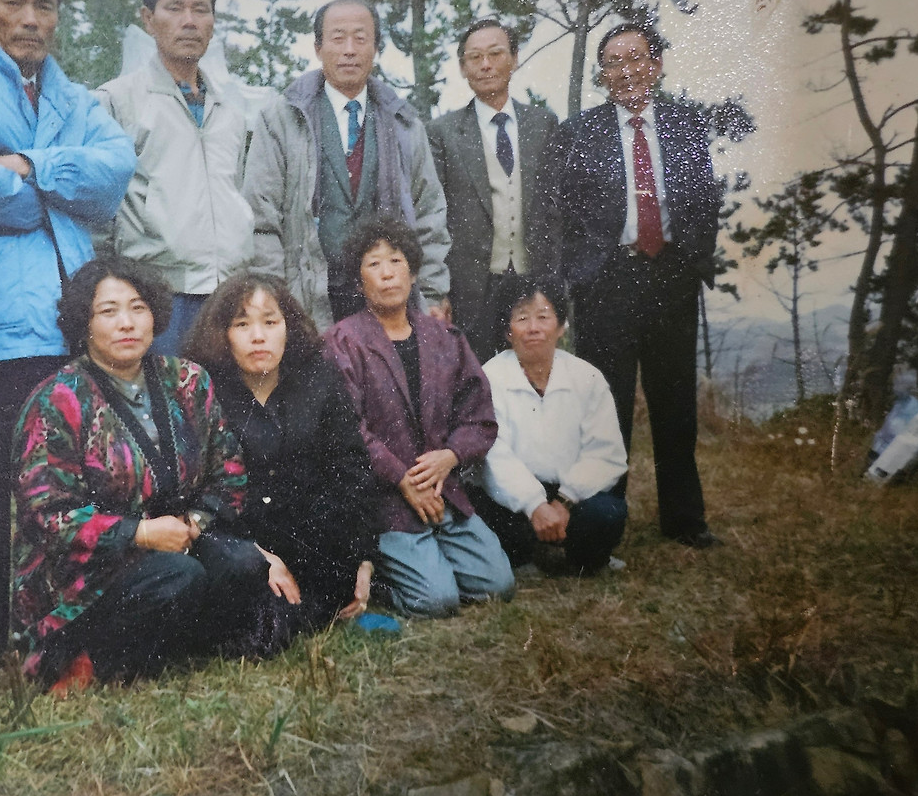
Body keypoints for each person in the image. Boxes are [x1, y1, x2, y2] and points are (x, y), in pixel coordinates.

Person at [0, 0, 136, 669]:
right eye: (14, 1)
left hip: (62, 327)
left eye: (45, 5)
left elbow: (113, 177)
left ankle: (54, 635)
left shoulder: (72, 95)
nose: (30, 19)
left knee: (62, 496)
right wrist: (60, 192)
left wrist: (29, 165)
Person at [12, 259, 274, 689]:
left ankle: (170, 647)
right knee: (178, 577)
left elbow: (229, 471)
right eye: (108, 311)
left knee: (243, 563)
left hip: (178, 543)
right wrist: (142, 534)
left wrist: (193, 524)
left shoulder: (187, 380)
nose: (126, 323)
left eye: (138, 308)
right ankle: (85, 660)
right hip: (86, 576)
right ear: (84, 323)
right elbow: (47, 515)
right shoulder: (57, 400)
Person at [549, 23, 723, 548]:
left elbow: (705, 198)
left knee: (676, 402)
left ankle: (685, 521)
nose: (626, 71)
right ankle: (606, 522)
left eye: (636, 58)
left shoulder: (685, 125)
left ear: (656, 64)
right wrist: (580, 274)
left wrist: (692, 260)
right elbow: (563, 213)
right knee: (608, 406)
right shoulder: (580, 132)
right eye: (613, 63)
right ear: (602, 75)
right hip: (608, 282)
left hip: (671, 277)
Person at [324, 217, 514, 619]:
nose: (387, 273)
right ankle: (383, 577)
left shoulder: (445, 337)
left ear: (412, 273)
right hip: (386, 500)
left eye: (396, 261)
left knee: (498, 586)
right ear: (359, 282)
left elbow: (479, 417)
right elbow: (348, 429)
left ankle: (431, 559)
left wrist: (451, 456)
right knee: (436, 601)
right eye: (374, 264)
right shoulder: (342, 342)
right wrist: (402, 479)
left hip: (443, 490)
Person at [185, 273, 379, 642]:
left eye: (270, 322)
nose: (258, 336)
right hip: (239, 541)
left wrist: (363, 559)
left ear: (288, 328)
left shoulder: (320, 379)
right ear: (222, 334)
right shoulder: (203, 390)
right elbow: (198, 495)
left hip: (309, 536)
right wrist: (257, 555)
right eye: (242, 324)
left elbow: (353, 472)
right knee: (262, 624)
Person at [242, 0, 450, 330]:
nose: (349, 50)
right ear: (318, 47)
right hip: (305, 300)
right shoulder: (281, 119)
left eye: (360, 38)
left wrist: (431, 294)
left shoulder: (404, 123)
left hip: (388, 303)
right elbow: (260, 216)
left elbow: (429, 215)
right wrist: (274, 299)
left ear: (376, 48)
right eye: (338, 38)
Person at [94, 0, 254, 355]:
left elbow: (238, 192)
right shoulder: (117, 101)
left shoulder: (230, 110)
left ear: (213, 22)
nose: (189, 21)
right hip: (156, 295)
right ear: (148, 19)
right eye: (175, 8)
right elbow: (97, 215)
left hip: (229, 294)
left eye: (200, 9)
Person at [468, 275, 628, 576]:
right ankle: (519, 558)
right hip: (513, 497)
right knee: (488, 512)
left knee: (607, 513)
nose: (533, 328)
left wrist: (564, 502)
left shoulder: (587, 377)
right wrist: (534, 504)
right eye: (522, 318)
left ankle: (586, 559)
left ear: (561, 326)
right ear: (507, 331)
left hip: (569, 493)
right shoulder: (490, 378)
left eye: (543, 317)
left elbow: (606, 453)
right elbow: (495, 457)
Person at [427, 18, 561, 363]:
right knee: (479, 378)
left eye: (496, 54)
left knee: (535, 374)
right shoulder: (442, 133)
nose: (486, 65)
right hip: (472, 288)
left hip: (534, 281)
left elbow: (556, 211)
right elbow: (433, 217)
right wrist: (439, 290)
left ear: (514, 59)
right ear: (463, 68)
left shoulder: (543, 124)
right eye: (475, 57)